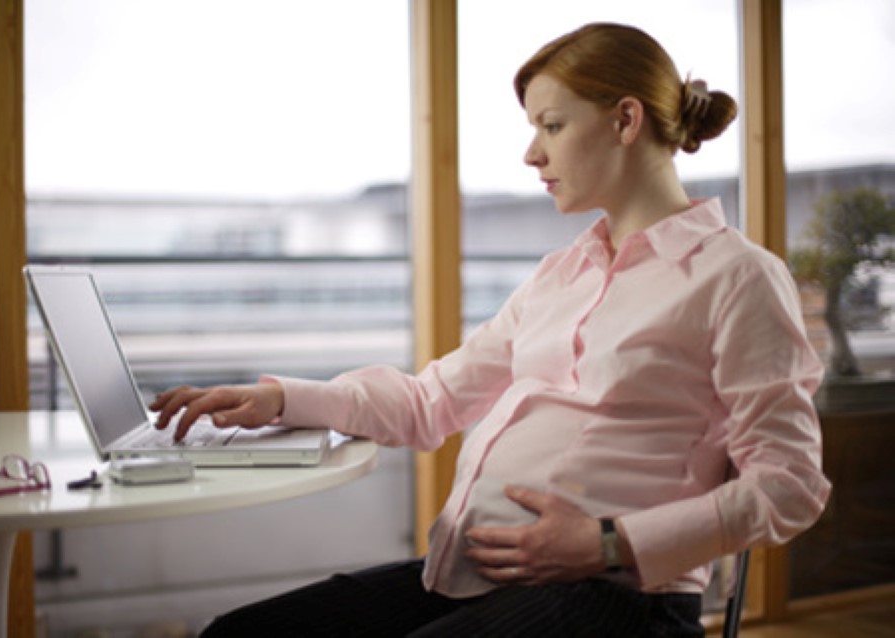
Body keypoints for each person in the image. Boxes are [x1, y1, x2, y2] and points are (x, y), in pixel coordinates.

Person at [152, 22, 830, 637]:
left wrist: (606, 543)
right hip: (478, 579)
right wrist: (280, 400)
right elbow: (429, 401)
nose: (532, 154)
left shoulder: (736, 277)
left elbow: (789, 484)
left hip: (620, 600)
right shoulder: (559, 275)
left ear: (626, 120)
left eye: (552, 125)